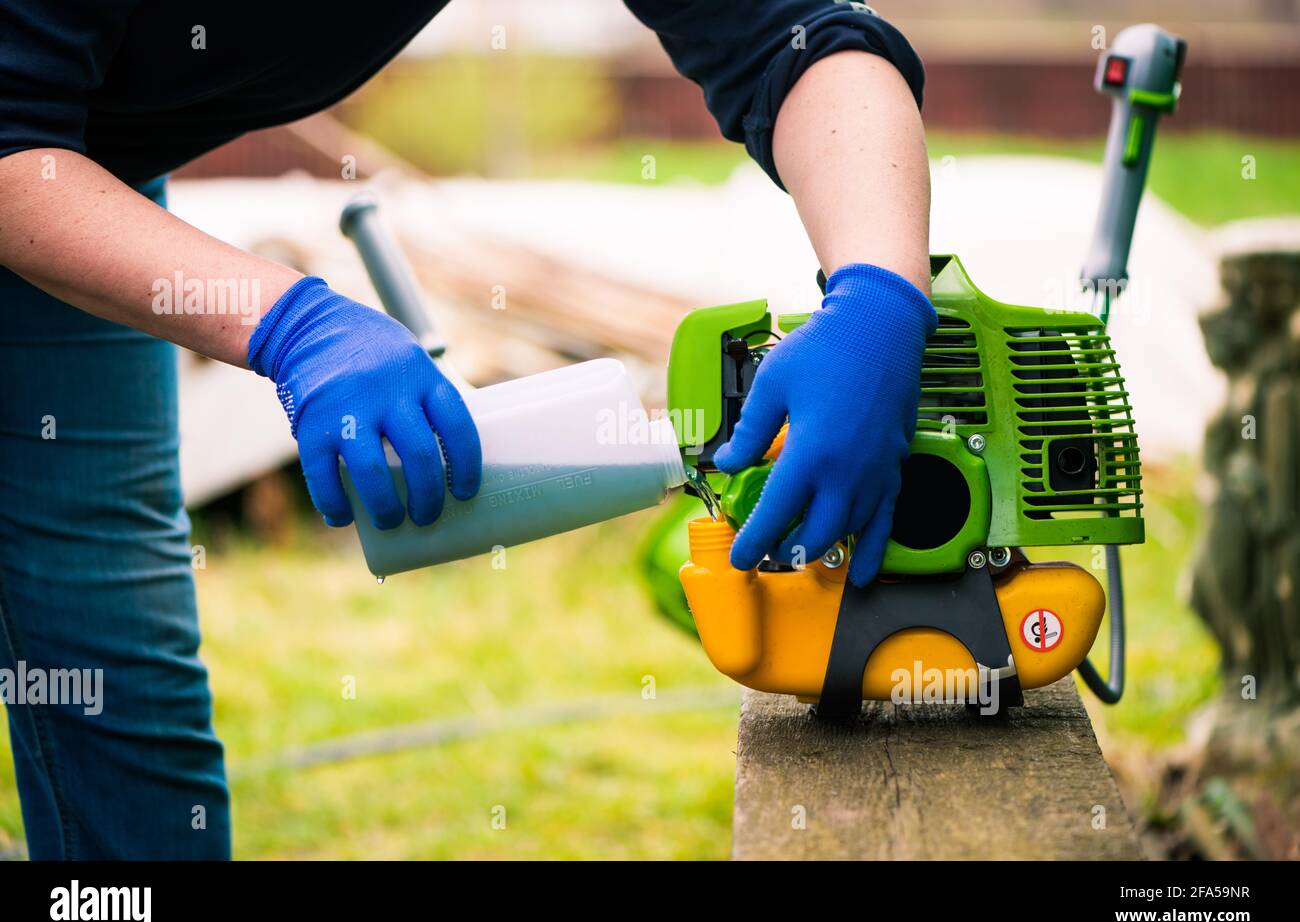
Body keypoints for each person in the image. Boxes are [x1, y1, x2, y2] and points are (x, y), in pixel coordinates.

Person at [0, 1, 934, 858]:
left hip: (79, 163)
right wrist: (286, 321)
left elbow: (797, 36)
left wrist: (879, 297)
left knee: (109, 644)